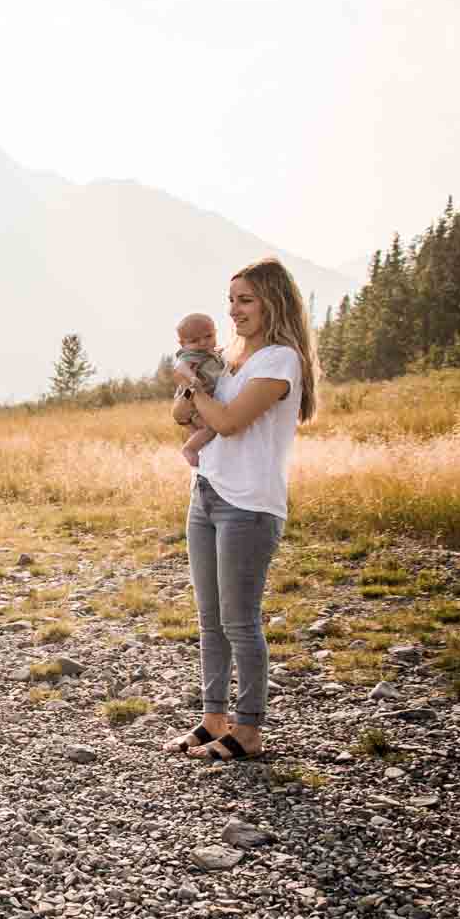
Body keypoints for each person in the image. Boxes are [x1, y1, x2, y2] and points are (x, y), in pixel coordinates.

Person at [162, 258, 320, 762]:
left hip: (248, 505)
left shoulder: (280, 360)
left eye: (246, 300)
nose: (234, 311)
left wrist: (195, 387)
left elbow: (227, 422)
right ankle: (214, 720)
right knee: (210, 619)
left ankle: (248, 729)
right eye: (231, 300)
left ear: (274, 301)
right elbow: (181, 416)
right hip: (206, 492)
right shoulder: (230, 357)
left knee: (239, 621)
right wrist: (189, 391)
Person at [174, 312, 227, 468]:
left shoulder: (211, 353)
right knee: (210, 428)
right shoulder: (191, 355)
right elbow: (180, 367)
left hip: (198, 401)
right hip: (191, 399)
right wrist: (192, 378)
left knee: (200, 430)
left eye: (208, 336)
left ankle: (199, 448)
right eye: (195, 340)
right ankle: (190, 449)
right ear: (182, 344)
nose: (203, 342)